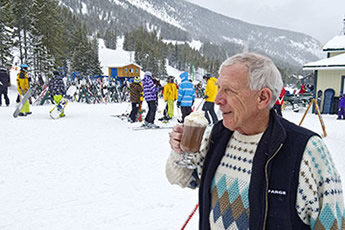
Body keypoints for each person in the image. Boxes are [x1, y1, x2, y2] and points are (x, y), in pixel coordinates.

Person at [166, 53, 345, 229]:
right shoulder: (216, 136)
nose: (218, 99)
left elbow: (333, 224)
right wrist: (179, 151)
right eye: (219, 88)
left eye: (228, 90)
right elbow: (184, 179)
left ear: (263, 98)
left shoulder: (306, 150)